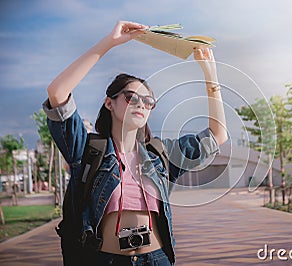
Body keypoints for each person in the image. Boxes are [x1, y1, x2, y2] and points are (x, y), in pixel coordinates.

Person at [43, 21, 227, 266]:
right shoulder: (88, 151)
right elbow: (57, 93)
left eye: (148, 101)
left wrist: (210, 75)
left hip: (157, 258)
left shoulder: (160, 156)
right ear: (110, 103)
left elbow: (218, 135)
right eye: (131, 97)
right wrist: (110, 42)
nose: (141, 104)